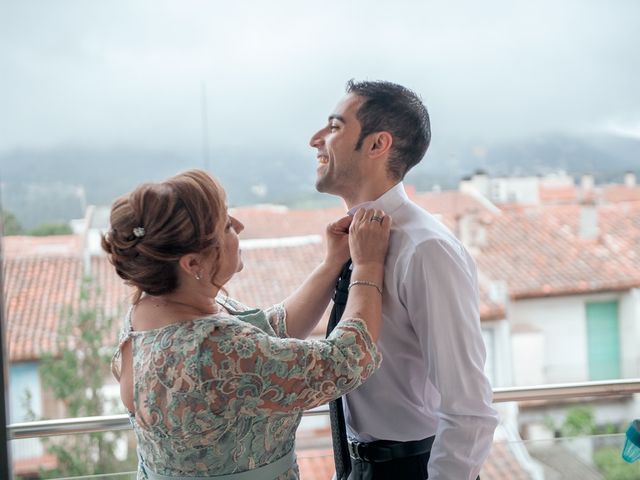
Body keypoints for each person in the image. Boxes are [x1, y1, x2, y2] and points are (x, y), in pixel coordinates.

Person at [102, 169, 392, 479]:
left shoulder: (144, 315)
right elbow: (345, 359)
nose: (239, 226)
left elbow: (267, 338)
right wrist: (369, 265)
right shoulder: (214, 349)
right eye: (226, 225)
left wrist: (331, 263)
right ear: (192, 263)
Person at [309, 81, 499, 480]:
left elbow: (469, 407)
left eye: (334, 127)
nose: (316, 140)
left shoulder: (426, 250)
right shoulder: (347, 243)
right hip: (356, 465)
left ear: (378, 145)